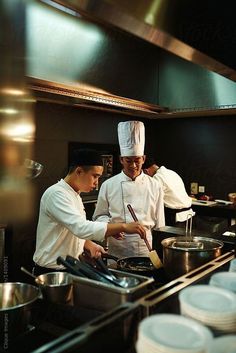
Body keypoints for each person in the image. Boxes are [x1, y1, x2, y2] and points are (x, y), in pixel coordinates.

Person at [33, 149, 146, 275]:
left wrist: (88, 244)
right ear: (79, 171)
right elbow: (80, 227)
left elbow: (71, 229)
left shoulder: (75, 194)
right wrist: (123, 226)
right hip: (51, 271)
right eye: (95, 176)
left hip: (70, 268)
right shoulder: (56, 194)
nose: (96, 183)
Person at [93, 121, 165, 258]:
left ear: (143, 159)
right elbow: (98, 217)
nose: (133, 165)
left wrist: (160, 251)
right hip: (117, 246)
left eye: (137, 160)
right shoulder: (108, 185)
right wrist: (111, 227)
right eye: (128, 160)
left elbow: (160, 224)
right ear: (121, 159)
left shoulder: (155, 185)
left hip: (146, 247)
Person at [142, 156, 195, 226]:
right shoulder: (171, 172)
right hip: (189, 216)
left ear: (146, 171)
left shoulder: (157, 178)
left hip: (176, 218)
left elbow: (152, 201)